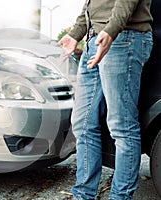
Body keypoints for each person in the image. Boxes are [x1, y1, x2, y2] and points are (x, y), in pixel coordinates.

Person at [58, 0, 153, 199]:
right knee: (82, 124)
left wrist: (111, 30)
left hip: (122, 36)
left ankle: (120, 197)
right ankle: (83, 194)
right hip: (95, 40)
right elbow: (91, 4)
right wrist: (77, 33)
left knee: (122, 126)